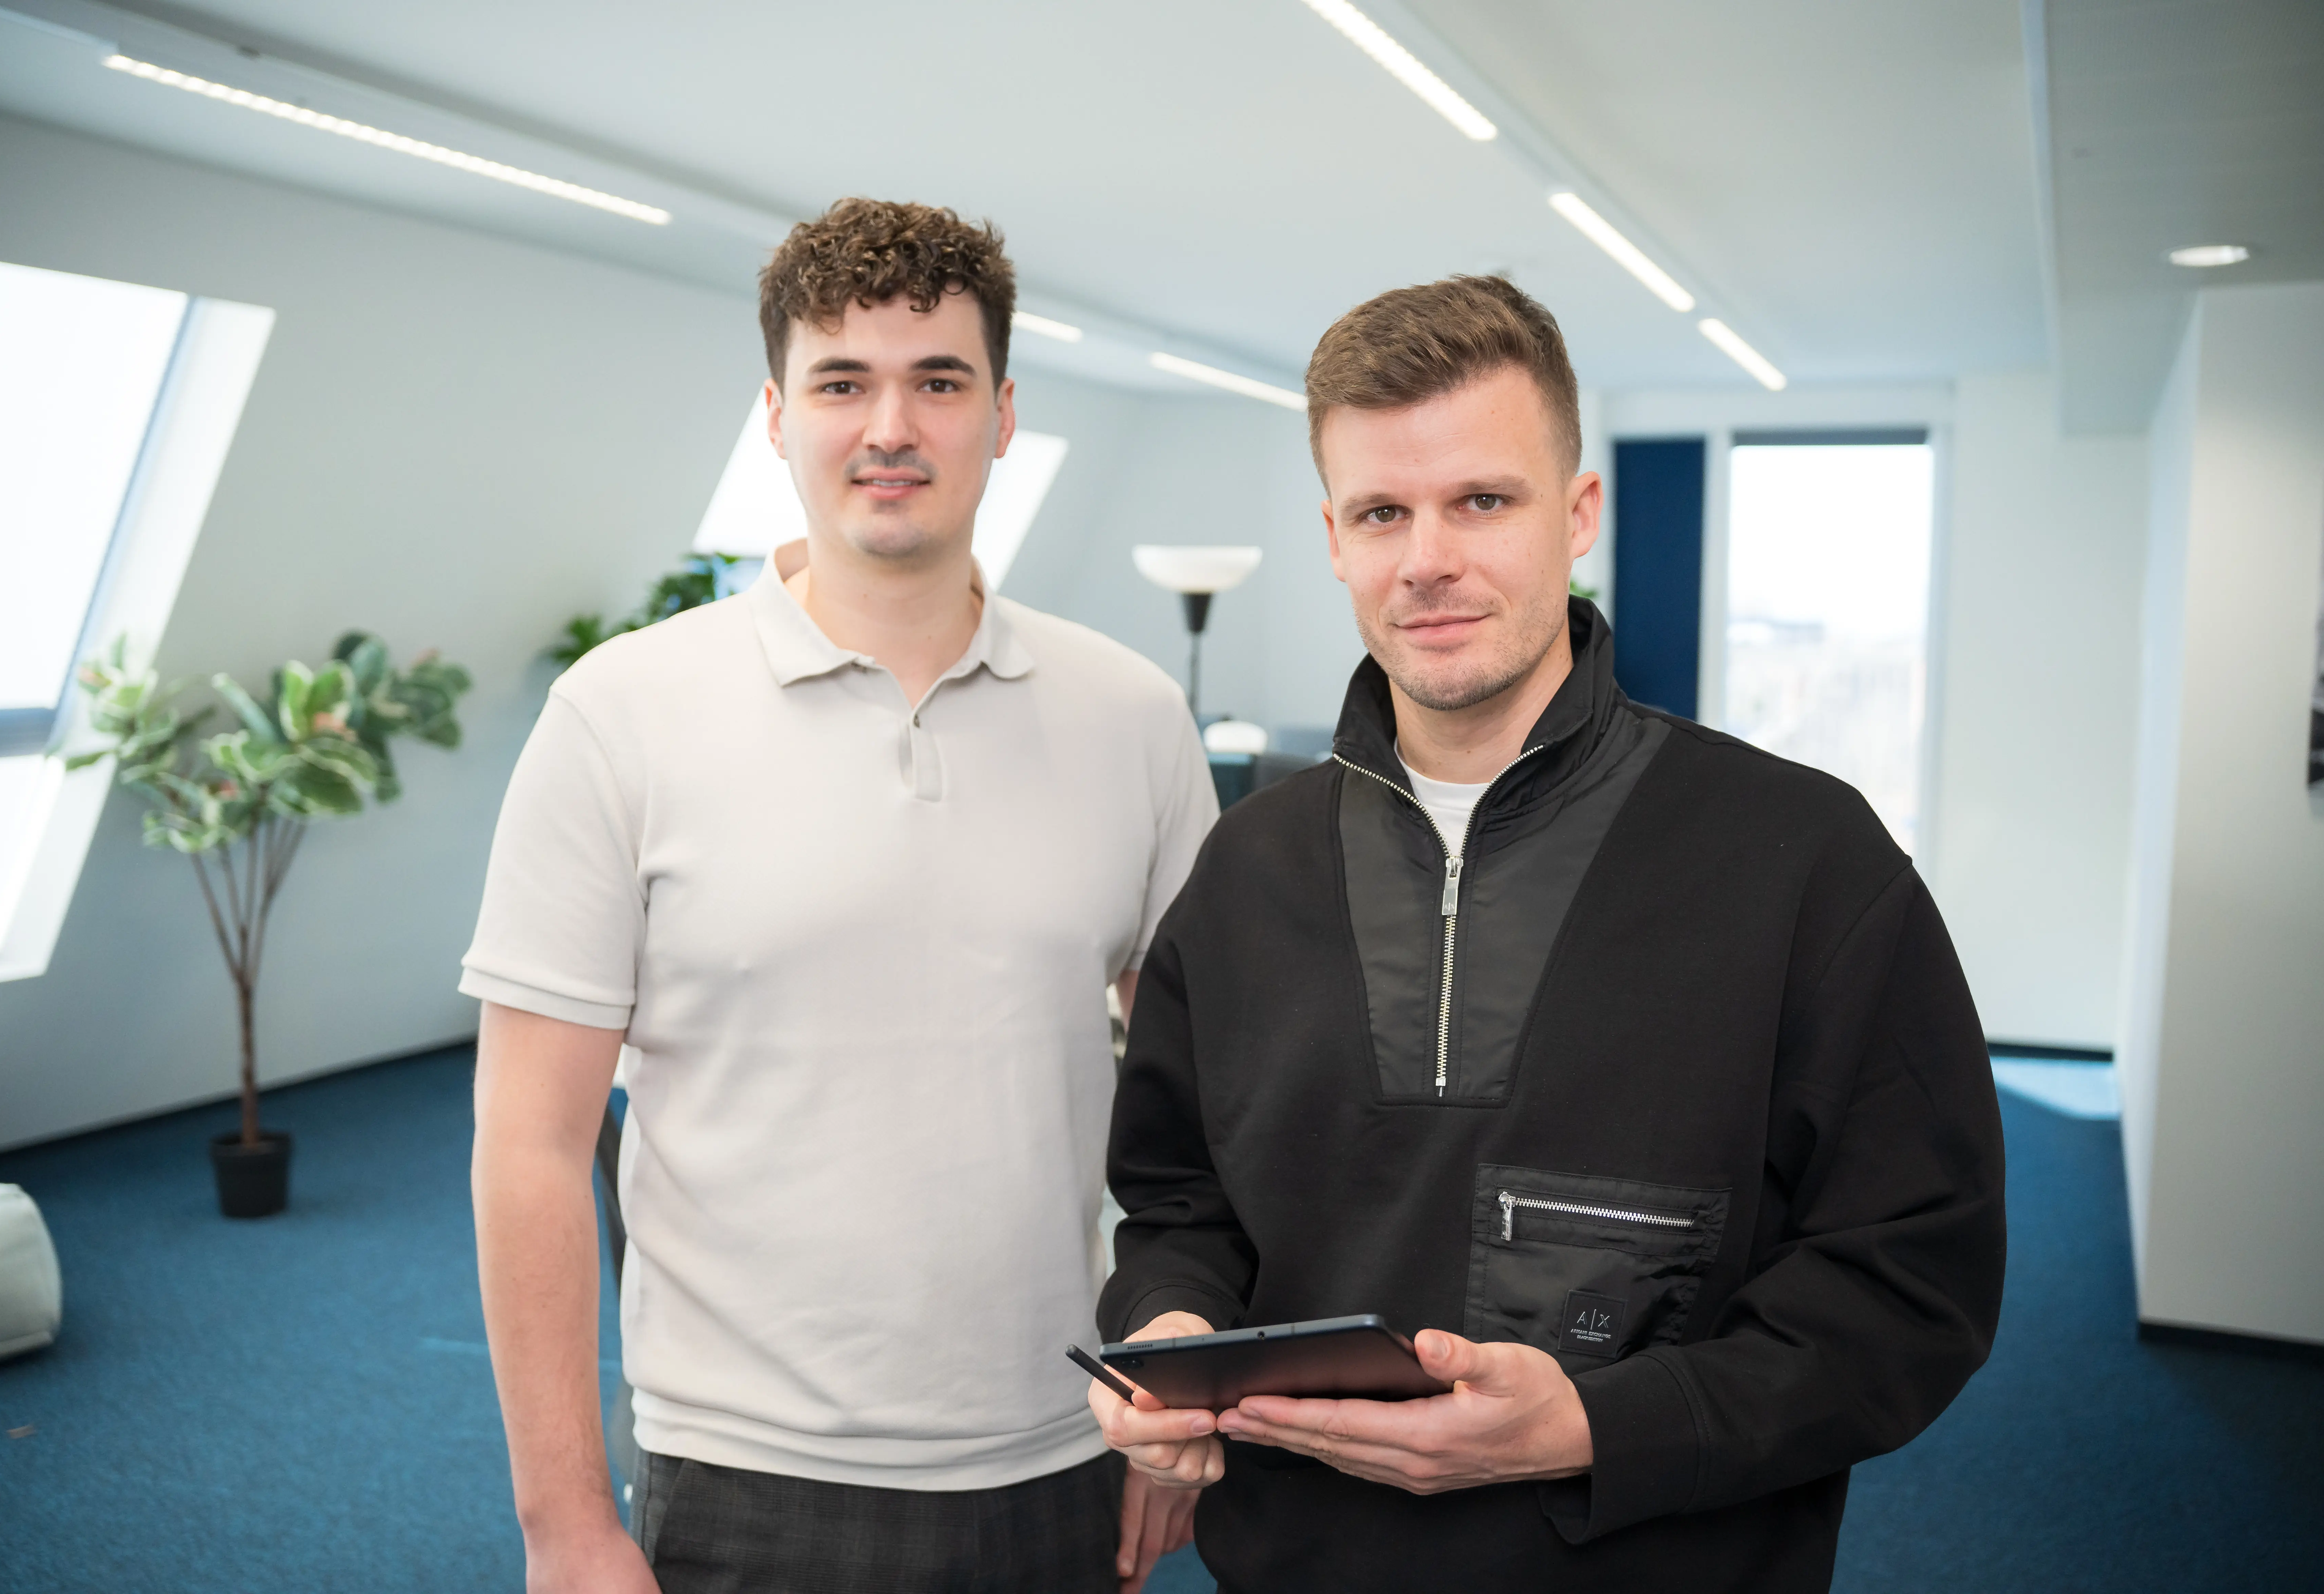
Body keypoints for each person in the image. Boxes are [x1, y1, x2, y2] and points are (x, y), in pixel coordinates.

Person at [1088, 275, 2004, 1591]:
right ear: (1335, 539)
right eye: (1383, 513)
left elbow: (1911, 1285)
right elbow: (1182, 1204)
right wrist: (1170, 1331)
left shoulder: (1805, 858)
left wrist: (1589, 1424)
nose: (1429, 560)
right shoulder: (1249, 870)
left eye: (1483, 501)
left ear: (1577, 516)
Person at [466, 198, 1216, 1594]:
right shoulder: (621, 712)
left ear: (1002, 414)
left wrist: (1182, 1376)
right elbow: (527, 1146)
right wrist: (563, 1521)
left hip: (1065, 1443)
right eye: (843, 383)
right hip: (749, 1468)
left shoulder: (1135, 717)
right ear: (776, 413)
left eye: (938, 381)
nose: (891, 427)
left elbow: (1207, 1107)